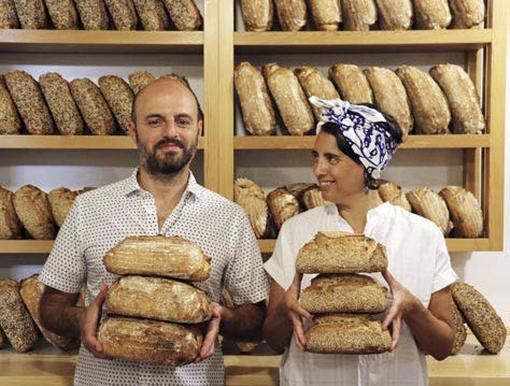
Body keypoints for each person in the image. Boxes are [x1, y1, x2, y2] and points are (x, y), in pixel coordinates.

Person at [38, 77, 269, 386]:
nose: (170, 133)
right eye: (155, 121)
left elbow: (256, 319)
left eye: (182, 121)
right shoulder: (88, 209)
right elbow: (50, 307)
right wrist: (82, 319)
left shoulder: (230, 218)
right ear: (133, 130)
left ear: (199, 128)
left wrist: (222, 317)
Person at [262, 96, 457, 386]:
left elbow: (443, 347)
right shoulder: (296, 231)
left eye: (332, 159)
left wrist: (414, 309)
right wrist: (283, 310)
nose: (318, 170)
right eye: (315, 157)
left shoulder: (423, 235)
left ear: (368, 165)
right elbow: (274, 341)